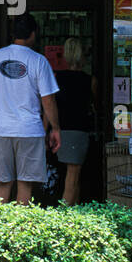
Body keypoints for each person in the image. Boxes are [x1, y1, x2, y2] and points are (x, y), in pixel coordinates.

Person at [0, 13, 61, 205]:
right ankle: (19, 232)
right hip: (29, 130)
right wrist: (55, 128)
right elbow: (48, 100)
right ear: (33, 33)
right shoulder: (39, 61)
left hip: (1, 129)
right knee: (25, 185)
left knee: (3, 183)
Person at [54, 37, 98, 206]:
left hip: (61, 130)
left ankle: (75, 212)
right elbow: (95, 105)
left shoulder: (57, 78)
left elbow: (50, 104)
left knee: (73, 175)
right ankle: (65, 218)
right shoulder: (90, 81)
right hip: (79, 130)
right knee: (73, 176)